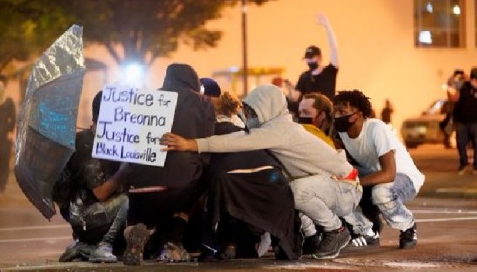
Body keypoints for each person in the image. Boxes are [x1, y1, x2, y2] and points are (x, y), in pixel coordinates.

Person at [162, 84, 362, 260]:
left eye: (253, 111)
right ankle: (312, 237)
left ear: (269, 109)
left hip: (344, 186)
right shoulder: (277, 128)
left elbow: (235, 141)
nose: (248, 116)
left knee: (295, 191)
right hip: (332, 185)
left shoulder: (279, 131)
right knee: (288, 189)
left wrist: (190, 144)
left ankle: (336, 230)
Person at [122, 63, 216, 265]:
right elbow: (206, 144)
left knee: (144, 216)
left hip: (139, 187)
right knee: (205, 178)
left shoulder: (145, 100)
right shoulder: (203, 103)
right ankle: (173, 240)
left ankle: (137, 231)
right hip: (179, 186)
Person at [199, 91, 299, 261]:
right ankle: (281, 244)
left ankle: (227, 243)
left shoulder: (206, 133)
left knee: (220, 198)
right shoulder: (249, 133)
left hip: (232, 184)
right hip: (272, 182)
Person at [332, 90, 425, 249]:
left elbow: (389, 173)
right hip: (373, 175)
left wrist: (355, 182)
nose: (337, 115)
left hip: (403, 177)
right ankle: (368, 231)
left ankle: (408, 226)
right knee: (332, 184)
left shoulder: (376, 128)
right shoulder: (341, 132)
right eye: (336, 111)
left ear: (358, 114)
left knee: (380, 193)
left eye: (343, 112)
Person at [53, 91, 129, 263]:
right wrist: (126, 169)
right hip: (83, 215)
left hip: (92, 210)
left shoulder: (107, 141)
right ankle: (102, 245)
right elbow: (101, 193)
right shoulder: (86, 144)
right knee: (126, 200)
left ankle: (84, 246)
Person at [297, 93, 378, 248]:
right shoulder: (305, 134)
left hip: (353, 187)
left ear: (322, 115)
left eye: (307, 113)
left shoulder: (340, 135)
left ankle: (364, 230)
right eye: (300, 113)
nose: (301, 117)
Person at [295, 14, 339, 101]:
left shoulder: (329, 71)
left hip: (327, 113)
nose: (309, 61)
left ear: (320, 57)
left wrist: (328, 27)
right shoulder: (304, 76)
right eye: (307, 58)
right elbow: (296, 97)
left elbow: (334, 48)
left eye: (311, 57)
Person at [451, 68, 477, 174]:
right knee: (461, 143)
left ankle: (476, 166)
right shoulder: (463, 86)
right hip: (462, 121)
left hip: (475, 121)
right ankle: (463, 163)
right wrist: (456, 84)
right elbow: (454, 98)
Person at [441, 70, 465, 149]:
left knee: (453, 127)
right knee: (450, 127)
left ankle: (450, 142)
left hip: (457, 111)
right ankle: (448, 142)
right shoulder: (455, 83)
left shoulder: (457, 83)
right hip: (454, 111)